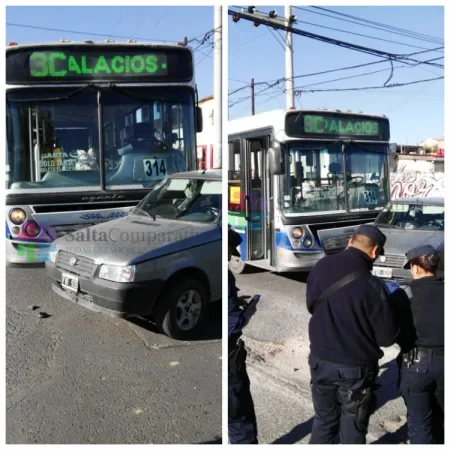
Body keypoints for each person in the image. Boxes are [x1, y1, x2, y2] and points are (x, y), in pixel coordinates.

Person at [306, 224, 399, 444]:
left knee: (323, 422)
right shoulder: (374, 285)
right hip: (354, 369)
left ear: (350, 241)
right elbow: (387, 338)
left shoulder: (321, 265)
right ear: (374, 251)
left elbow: (311, 305)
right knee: (352, 427)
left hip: (320, 361)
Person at [392, 245, 444, 444]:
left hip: (416, 363)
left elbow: (391, 330)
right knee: (441, 419)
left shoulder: (404, 294)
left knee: (419, 422)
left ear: (415, 268)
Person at [228, 227, 258, 444]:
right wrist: (247, 313)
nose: (231, 257)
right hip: (230, 358)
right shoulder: (224, 275)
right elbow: (231, 323)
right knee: (240, 418)